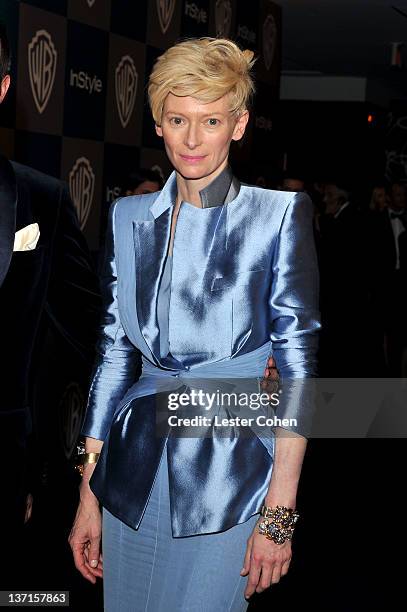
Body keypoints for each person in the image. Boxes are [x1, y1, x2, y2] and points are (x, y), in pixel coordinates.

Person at [69, 38, 320, 611]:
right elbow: (113, 360)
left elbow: (302, 373)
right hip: (130, 473)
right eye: (177, 118)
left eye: (211, 120)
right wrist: (89, 494)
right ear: (157, 122)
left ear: (238, 124)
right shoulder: (128, 217)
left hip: (233, 471)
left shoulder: (276, 215)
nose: (191, 138)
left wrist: (279, 517)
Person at [0, 22, 101, 586]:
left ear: (5, 87)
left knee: (19, 597)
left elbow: (91, 330)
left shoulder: (42, 199)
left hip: (7, 469)